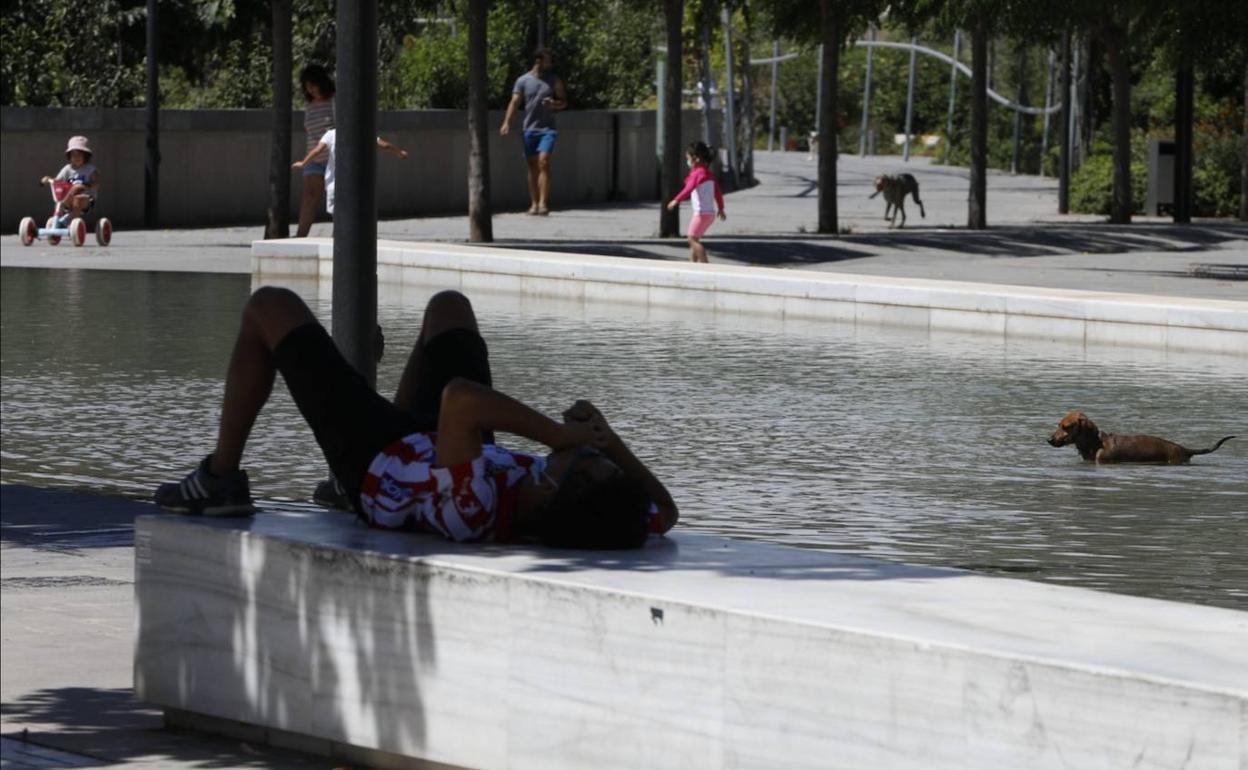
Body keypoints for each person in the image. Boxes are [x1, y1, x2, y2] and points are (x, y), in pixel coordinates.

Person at [153, 287, 679, 549]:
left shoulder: (477, 510)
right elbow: (664, 511)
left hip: (376, 460)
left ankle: (220, 479)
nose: (582, 451)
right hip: (438, 443)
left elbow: (460, 399)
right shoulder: (592, 509)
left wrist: (557, 432)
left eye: (584, 461)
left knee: (269, 307)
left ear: (552, 494)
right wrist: (609, 443)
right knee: (448, 309)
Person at [499, 47, 566, 216]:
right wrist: (507, 122)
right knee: (532, 166)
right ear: (539, 61)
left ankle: (544, 203)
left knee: (544, 161)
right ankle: (534, 204)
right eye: (548, 60)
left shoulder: (554, 80)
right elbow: (514, 102)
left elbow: (564, 102)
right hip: (529, 128)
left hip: (548, 129)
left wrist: (554, 105)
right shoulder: (522, 81)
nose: (550, 63)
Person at [292, 129, 408, 217]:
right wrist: (399, 152)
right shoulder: (363, 131)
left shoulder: (331, 134)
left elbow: (317, 151)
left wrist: (303, 163)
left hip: (335, 184)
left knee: (338, 216)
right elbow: (385, 146)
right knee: (353, 214)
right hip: (355, 184)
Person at [666, 141, 726, 263]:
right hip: (710, 214)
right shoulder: (709, 174)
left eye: (688, 158)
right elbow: (718, 193)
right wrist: (721, 208)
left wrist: (676, 200)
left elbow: (688, 189)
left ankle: (705, 266)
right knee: (695, 239)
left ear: (696, 158)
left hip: (701, 213)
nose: (687, 160)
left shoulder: (697, 174)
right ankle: (692, 266)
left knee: (691, 239)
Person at [295, 64, 336, 237]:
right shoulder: (309, 105)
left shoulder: (334, 100)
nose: (310, 89)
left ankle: (339, 236)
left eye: (313, 85)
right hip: (313, 157)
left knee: (336, 198)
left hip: (333, 159)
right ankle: (300, 235)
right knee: (309, 196)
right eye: (307, 86)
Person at [40, 135, 99, 224]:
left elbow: (96, 183)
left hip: (87, 198)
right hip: (70, 197)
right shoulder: (67, 169)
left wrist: (84, 185)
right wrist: (48, 179)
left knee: (77, 200)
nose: (76, 157)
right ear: (69, 156)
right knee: (60, 201)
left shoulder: (90, 169)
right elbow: (57, 180)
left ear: (85, 156)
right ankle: (56, 220)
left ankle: (67, 221)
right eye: (73, 155)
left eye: (79, 155)